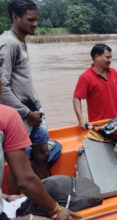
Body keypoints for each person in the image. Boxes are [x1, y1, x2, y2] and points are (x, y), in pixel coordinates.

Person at [0, 71, 81, 220]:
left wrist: (4, 196)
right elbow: (25, 180)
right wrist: (55, 209)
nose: (3, 82)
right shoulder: (7, 116)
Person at [0, 0, 49, 180]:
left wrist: (34, 109)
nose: (35, 23)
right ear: (15, 17)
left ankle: (39, 198)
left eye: (36, 19)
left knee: (42, 153)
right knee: (18, 163)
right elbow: (2, 88)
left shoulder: (20, 41)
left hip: (33, 109)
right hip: (21, 113)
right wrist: (27, 113)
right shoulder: (8, 44)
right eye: (30, 19)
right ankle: (19, 202)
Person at [73, 44, 117, 129]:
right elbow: (77, 98)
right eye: (107, 57)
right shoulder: (85, 77)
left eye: (111, 57)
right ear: (97, 56)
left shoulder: (113, 72)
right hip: (99, 124)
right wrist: (81, 120)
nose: (110, 60)